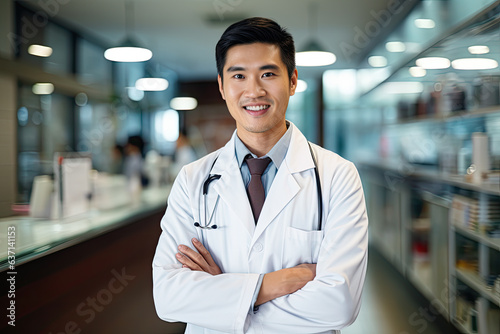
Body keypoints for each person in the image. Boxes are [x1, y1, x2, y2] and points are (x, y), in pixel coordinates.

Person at [152, 17, 368, 334]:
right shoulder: (192, 180)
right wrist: (273, 284)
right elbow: (168, 297)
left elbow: (339, 303)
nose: (254, 90)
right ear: (222, 87)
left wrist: (225, 296)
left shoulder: (337, 176)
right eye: (239, 76)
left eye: (268, 74)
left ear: (292, 81)